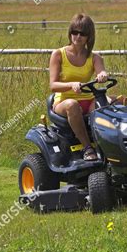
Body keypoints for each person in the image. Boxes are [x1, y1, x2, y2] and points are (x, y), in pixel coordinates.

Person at [50, 13, 117, 161]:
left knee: (117, 102)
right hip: (64, 101)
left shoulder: (95, 57)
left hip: (88, 99)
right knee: (73, 105)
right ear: (70, 33)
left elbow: (101, 71)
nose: (77, 36)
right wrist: (71, 85)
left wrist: (102, 75)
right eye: (74, 32)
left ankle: (114, 145)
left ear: (89, 36)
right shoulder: (58, 54)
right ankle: (88, 147)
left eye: (82, 33)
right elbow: (53, 85)